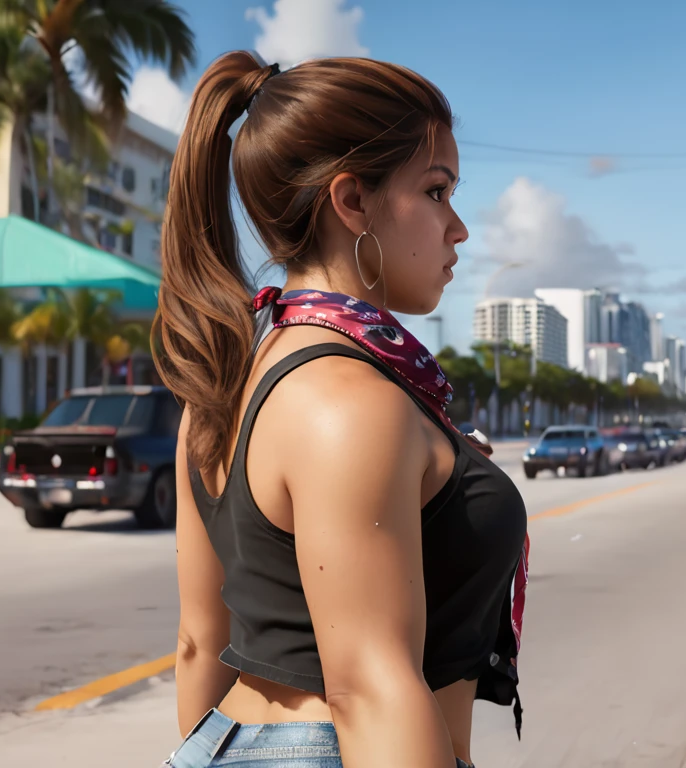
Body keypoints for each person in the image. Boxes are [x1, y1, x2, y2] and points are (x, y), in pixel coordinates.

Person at [153, 51, 529, 767]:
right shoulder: (351, 404)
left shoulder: (221, 391)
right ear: (352, 201)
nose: (460, 229)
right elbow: (369, 688)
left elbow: (198, 642)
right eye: (438, 191)